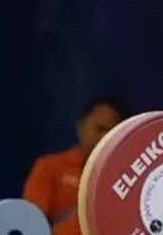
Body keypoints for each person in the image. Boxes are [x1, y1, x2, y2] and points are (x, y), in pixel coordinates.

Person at [23, 96, 127, 235]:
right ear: (80, 127)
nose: (104, 137)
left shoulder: (127, 177)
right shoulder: (48, 167)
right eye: (99, 129)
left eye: (110, 132)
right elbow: (31, 226)